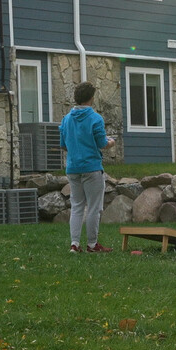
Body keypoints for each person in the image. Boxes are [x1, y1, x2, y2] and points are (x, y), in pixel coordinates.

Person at [59, 81, 116, 253]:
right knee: (94, 207)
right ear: (91, 98)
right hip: (91, 168)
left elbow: (63, 145)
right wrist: (111, 142)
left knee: (76, 206)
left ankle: (74, 244)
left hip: (73, 168)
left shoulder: (66, 119)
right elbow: (101, 143)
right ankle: (92, 244)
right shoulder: (95, 118)